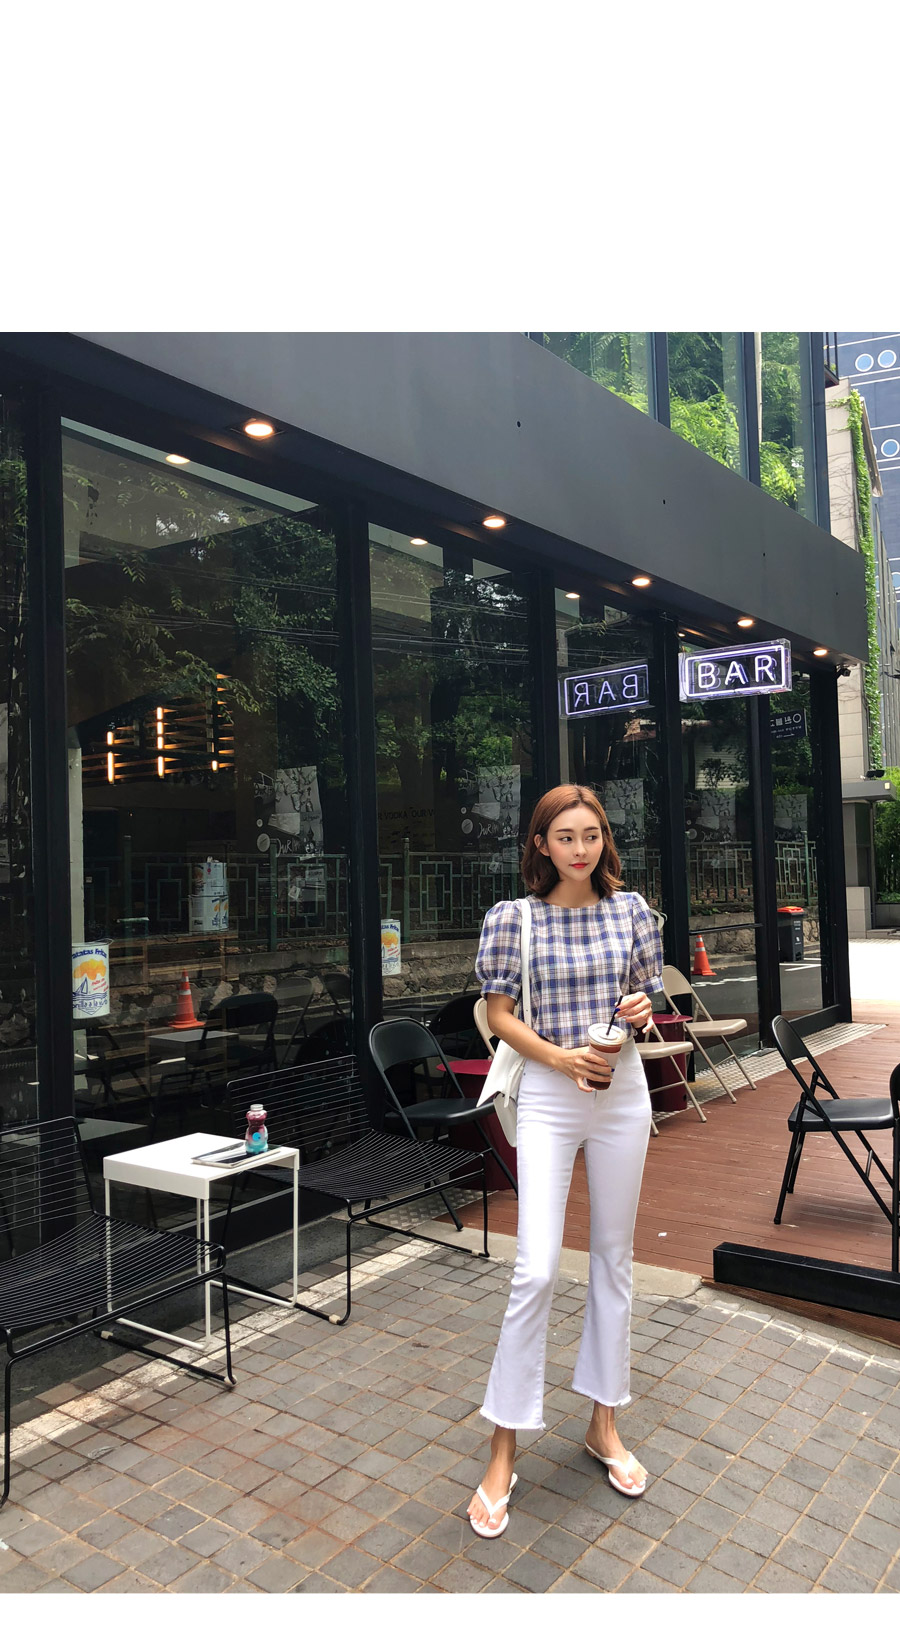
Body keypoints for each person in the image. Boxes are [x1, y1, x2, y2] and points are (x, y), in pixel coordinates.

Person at [467, 783, 663, 1538]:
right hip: (553, 1089)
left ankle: (603, 1424)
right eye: (565, 837)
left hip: (621, 1087)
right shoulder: (512, 918)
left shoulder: (631, 910)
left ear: (603, 839)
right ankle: (502, 1447)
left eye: (591, 835)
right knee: (537, 1267)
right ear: (541, 845)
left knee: (614, 1258)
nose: (580, 849)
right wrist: (559, 1058)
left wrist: (640, 1010)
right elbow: (498, 1016)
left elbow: (644, 999)